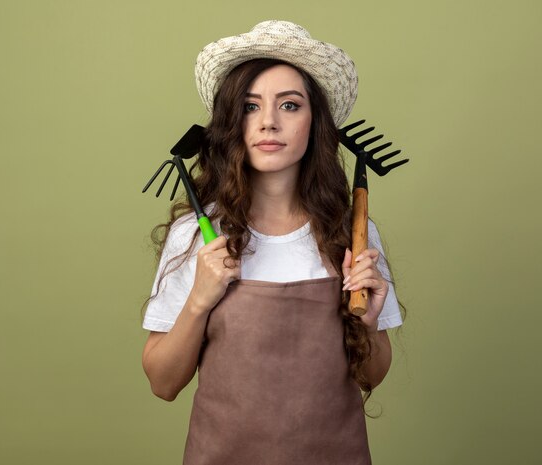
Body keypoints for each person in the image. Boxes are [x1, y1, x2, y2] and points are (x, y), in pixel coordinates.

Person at [142, 20, 403, 465]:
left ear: (314, 122)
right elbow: (163, 384)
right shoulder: (197, 236)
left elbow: (372, 376)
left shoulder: (352, 236)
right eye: (249, 106)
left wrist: (370, 320)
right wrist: (199, 301)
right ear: (231, 122)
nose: (268, 122)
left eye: (289, 105)